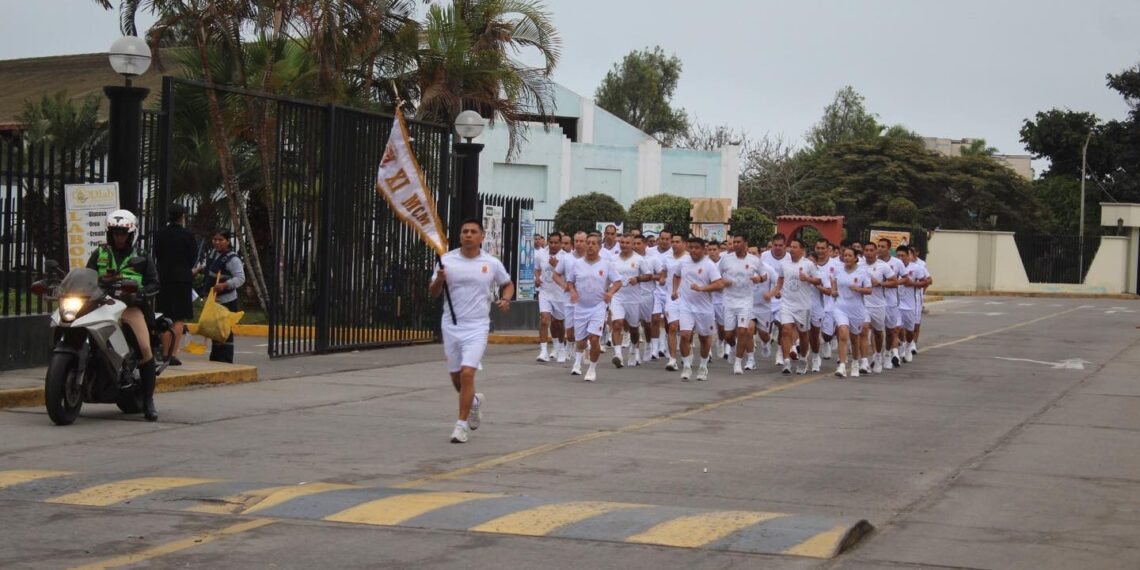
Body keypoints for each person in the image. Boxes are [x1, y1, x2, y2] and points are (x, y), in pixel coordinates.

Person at [429, 219, 514, 444]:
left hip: (477, 326)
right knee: (456, 378)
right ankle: (474, 402)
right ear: (460, 236)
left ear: (481, 237)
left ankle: (461, 426)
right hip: (451, 325)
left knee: (468, 374)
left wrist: (506, 299)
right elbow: (433, 292)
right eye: (465, 231)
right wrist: (439, 280)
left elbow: (507, 284)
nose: (468, 235)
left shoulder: (491, 263)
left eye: (473, 232)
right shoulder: (446, 260)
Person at [86, 210, 161, 421]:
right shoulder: (99, 253)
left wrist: (141, 293)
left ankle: (148, 400)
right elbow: (88, 276)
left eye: (123, 233)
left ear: (131, 234)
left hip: (128, 307)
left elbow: (154, 283)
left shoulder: (142, 256)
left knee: (144, 348)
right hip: (100, 305)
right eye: (115, 233)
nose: (119, 237)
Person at [564, 233, 622, 381]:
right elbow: (570, 282)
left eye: (593, 243)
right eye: (588, 243)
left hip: (598, 306)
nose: (590, 245)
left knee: (594, 339)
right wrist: (573, 292)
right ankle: (577, 362)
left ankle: (591, 369)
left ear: (599, 247)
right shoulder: (577, 264)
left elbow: (618, 282)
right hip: (580, 307)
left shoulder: (606, 265)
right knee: (581, 342)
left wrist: (610, 293)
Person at [672, 236, 726, 381]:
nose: (693, 250)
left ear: (703, 249)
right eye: (691, 247)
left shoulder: (709, 265)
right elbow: (676, 276)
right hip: (686, 306)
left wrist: (702, 288)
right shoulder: (683, 262)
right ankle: (686, 366)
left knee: (704, 338)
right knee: (685, 335)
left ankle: (703, 366)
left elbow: (719, 284)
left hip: (704, 308)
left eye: (697, 248)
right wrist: (674, 290)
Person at [153, 204, 197, 366]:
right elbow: (193, 257)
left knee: (164, 316)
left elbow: (157, 254)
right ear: (182, 216)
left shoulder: (159, 234)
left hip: (163, 278)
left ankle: (164, 353)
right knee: (178, 318)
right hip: (182, 279)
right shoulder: (188, 235)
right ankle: (172, 354)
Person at [772, 238, 822, 375]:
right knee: (786, 330)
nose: (791, 249)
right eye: (791, 247)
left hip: (803, 306)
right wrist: (776, 291)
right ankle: (786, 361)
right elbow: (780, 280)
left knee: (803, 334)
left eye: (795, 247)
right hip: (787, 304)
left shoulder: (809, 265)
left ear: (802, 250)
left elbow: (818, 280)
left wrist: (807, 279)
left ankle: (803, 359)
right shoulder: (784, 264)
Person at [194, 230, 246, 364]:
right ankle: (216, 359)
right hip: (213, 300)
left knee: (224, 332)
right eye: (215, 239)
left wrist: (225, 285)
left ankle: (225, 360)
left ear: (228, 241)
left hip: (227, 301)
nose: (217, 242)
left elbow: (240, 278)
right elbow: (211, 267)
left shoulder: (233, 259)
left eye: (220, 240)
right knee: (215, 331)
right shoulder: (213, 253)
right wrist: (200, 269)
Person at [719, 233, 765, 374]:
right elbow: (717, 276)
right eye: (734, 242)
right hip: (729, 301)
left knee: (743, 331)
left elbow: (764, 275)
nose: (735, 244)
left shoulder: (754, 260)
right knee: (728, 335)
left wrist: (759, 279)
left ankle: (738, 362)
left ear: (745, 243)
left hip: (745, 301)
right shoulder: (726, 259)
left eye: (739, 242)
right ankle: (733, 348)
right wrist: (723, 281)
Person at [610, 235, 652, 368]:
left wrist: (638, 279)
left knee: (634, 328)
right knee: (617, 324)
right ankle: (618, 354)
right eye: (622, 242)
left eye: (627, 242)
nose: (624, 245)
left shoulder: (639, 259)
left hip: (633, 299)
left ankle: (634, 349)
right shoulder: (613, 259)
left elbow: (649, 275)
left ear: (632, 244)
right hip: (617, 296)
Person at [832, 246, 872, 378]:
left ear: (856, 258)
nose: (847, 258)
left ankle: (855, 362)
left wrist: (858, 289)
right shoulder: (838, 270)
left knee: (855, 338)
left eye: (850, 256)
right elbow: (834, 282)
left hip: (856, 309)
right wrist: (833, 291)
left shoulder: (862, 272)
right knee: (843, 334)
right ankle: (842, 366)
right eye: (845, 255)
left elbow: (869, 290)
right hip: (840, 307)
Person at [534, 232, 565, 362]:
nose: (553, 245)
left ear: (560, 243)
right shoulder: (541, 254)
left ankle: (561, 347)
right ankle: (543, 351)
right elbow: (537, 268)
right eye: (551, 242)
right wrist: (537, 278)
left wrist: (556, 265)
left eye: (556, 242)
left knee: (558, 323)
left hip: (559, 295)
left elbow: (569, 274)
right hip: (545, 292)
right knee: (544, 319)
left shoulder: (565, 257)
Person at [661, 233, 689, 371]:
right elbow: (664, 271)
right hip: (671, 296)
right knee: (672, 326)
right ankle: (672, 359)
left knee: (685, 331)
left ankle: (686, 354)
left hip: (686, 298)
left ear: (684, 244)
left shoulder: (689, 258)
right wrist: (662, 278)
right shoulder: (667, 257)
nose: (674, 244)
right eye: (673, 241)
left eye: (678, 242)